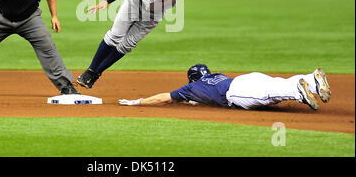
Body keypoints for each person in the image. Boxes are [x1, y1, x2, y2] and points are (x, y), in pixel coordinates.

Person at [76, 0, 258, 89]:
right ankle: (90, 70)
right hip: (133, 5)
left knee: (127, 45)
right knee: (114, 36)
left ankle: (96, 74)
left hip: (153, 15)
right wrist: (106, 1)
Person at [118, 64, 331, 110]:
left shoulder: (191, 88)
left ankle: (298, 91)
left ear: (192, 79)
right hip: (245, 78)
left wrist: (138, 101)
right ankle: (311, 78)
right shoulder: (216, 76)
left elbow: (165, 97)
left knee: (266, 95)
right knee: (273, 85)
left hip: (236, 92)